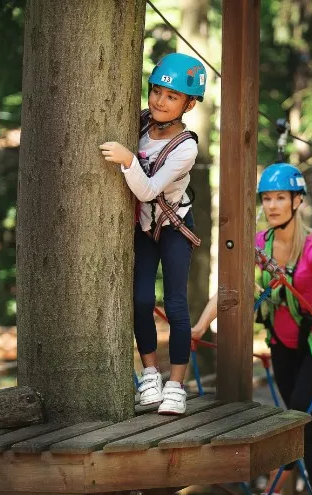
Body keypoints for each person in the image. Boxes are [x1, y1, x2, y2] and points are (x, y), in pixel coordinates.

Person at [191, 162, 312, 494]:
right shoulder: (258, 244)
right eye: (267, 199)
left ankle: (275, 487)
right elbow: (229, 286)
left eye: (280, 198)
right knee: (306, 421)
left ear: (297, 201)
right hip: (282, 346)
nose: (273, 206)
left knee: (295, 416)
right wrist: (201, 325)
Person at [100, 52, 207, 415]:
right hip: (144, 228)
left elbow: (146, 190)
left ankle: (176, 384)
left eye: (172, 96)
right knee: (141, 300)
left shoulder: (186, 147)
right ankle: (150, 374)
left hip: (174, 227)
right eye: (157, 91)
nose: (161, 101)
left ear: (189, 104)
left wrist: (128, 159)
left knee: (175, 304)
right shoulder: (143, 124)